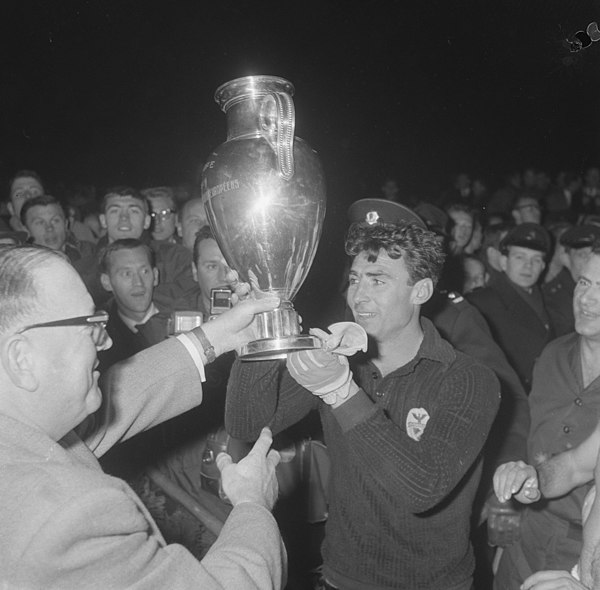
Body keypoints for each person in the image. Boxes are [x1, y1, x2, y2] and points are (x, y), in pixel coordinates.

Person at [226, 199, 500, 589]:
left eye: (378, 280)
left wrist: (341, 392)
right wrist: (256, 345)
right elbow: (248, 424)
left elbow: (422, 488)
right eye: (355, 280)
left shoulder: (468, 378)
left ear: (420, 290)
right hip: (341, 579)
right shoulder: (343, 362)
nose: (359, 296)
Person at [0, 243, 286, 589]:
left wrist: (221, 335)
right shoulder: (70, 516)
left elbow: (95, 421)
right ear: (21, 358)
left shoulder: (21, 428)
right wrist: (253, 504)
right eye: (90, 326)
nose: (104, 343)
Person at [492, 243, 600, 589]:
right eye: (584, 283)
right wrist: (532, 479)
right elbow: (575, 465)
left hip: (581, 549)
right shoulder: (553, 353)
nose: (587, 299)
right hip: (529, 535)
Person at [468, 223, 554, 391]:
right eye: (520, 257)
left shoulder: (546, 302)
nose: (528, 266)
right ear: (503, 261)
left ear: (543, 267)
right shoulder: (481, 303)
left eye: (536, 260)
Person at [96, 186, 195, 310]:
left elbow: (190, 293)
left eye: (134, 211)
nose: (124, 218)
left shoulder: (175, 258)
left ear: (147, 221)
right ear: (103, 220)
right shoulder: (83, 268)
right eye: (115, 211)